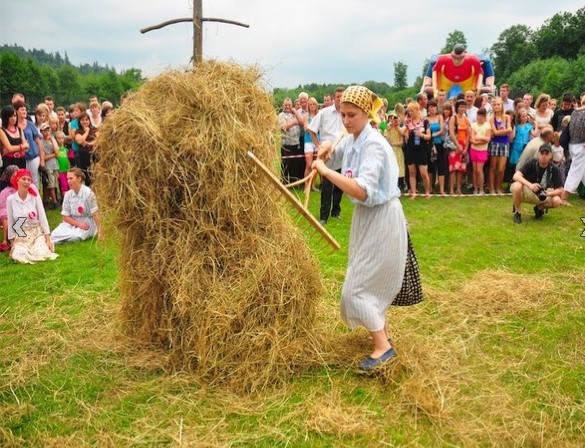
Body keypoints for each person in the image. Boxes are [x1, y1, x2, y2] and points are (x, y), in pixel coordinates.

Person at [311, 85, 409, 371]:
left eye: (352, 115)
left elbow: (363, 191)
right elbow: (336, 152)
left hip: (381, 217)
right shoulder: (354, 138)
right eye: (343, 115)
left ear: (367, 113)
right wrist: (326, 148)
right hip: (366, 218)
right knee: (365, 276)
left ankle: (383, 347)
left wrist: (327, 172)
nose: (346, 121)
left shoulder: (374, 145)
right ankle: (383, 335)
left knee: (356, 288)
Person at [308, 87, 345, 224]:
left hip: (342, 152)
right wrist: (319, 146)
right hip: (326, 153)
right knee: (327, 185)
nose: (340, 99)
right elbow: (311, 130)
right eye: (338, 97)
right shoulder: (324, 113)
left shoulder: (347, 113)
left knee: (341, 185)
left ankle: (336, 211)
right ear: (334, 98)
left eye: (342, 96)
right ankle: (324, 216)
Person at [6, 168, 57, 263]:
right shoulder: (10, 200)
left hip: (37, 233)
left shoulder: (35, 197)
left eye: (29, 180)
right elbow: (11, 223)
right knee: (19, 254)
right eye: (24, 179)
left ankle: (39, 247)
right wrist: (12, 244)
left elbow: (42, 217)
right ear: (17, 180)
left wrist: (47, 239)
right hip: (21, 235)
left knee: (40, 252)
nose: (26, 182)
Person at [511, 144, 563, 223]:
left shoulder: (554, 168)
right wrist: (530, 185)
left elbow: (560, 189)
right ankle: (517, 213)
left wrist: (549, 193)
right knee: (517, 185)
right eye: (542, 153)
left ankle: (539, 209)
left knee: (557, 200)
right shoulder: (532, 162)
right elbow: (516, 176)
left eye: (546, 154)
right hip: (528, 190)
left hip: (543, 194)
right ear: (538, 154)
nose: (544, 156)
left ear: (551, 155)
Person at [51, 168, 101, 244]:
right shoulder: (68, 194)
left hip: (87, 222)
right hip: (72, 222)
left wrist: (100, 232)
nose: (68, 181)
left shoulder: (88, 193)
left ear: (79, 179)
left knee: (75, 237)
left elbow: (95, 213)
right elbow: (65, 216)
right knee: (54, 234)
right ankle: (64, 239)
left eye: (71, 178)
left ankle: (65, 240)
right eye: (67, 179)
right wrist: (78, 224)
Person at [559, 95, 585, 205]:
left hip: (573, 145)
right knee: (576, 171)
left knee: (583, 171)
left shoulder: (575, 112)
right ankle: (563, 198)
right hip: (581, 146)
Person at [404, 102, 432, 198]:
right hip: (410, 149)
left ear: (417, 110)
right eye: (409, 111)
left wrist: (422, 135)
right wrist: (394, 126)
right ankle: (413, 193)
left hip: (422, 149)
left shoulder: (425, 122)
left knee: (424, 173)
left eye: (412, 110)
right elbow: (402, 132)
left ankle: (427, 192)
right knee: (412, 173)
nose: (410, 112)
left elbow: (429, 136)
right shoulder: (408, 122)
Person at [15, 101, 44, 189]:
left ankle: (36, 201)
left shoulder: (30, 124)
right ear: (16, 111)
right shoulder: (13, 125)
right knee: (20, 180)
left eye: (25, 110)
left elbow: (39, 142)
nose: (24, 111)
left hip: (33, 157)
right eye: (22, 109)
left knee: (33, 180)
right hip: (20, 158)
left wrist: (42, 159)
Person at [488, 97, 512, 195]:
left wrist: (500, 132)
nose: (497, 106)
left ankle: (498, 188)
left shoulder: (507, 117)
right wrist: (504, 131)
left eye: (498, 104)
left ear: (502, 105)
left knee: (501, 169)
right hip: (495, 143)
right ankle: (492, 188)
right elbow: (495, 132)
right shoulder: (491, 118)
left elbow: (510, 129)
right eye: (495, 105)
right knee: (493, 167)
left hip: (505, 143)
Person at [277, 98, 304, 184]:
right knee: (285, 165)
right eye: (286, 105)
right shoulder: (281, 115)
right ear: (283, 106)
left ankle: (294, 183)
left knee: (294, 165)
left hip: (296, 143)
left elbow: (301, 122)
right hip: (286, 144)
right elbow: (283, 128)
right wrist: (293, 123)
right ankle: (284, 183)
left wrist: (295, 112)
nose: (288, 107)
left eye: (289, 105)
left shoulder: (294, 114)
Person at [448, 100, 470, 195]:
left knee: (461, 168)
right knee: (453, 168)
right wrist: (457, 145)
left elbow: (468, 135)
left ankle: (458, 188)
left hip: (464, 145)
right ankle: (452, 189)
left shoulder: (466, 119)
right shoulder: (453, 118)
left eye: (464, 107)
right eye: (460, 107)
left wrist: (465, 148)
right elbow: (451, 133)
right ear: (457, 107)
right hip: (454, 145)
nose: (462, 109)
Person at [469, 108, 491, 195]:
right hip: (473, 150)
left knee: (479, 170)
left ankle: (481, 189)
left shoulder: (487, 126)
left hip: (482, 151)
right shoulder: (473, 125)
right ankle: (475, 189)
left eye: (482, 116)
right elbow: (472, 138)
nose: (480, 117)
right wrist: (482, 139)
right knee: (474, 170)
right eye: (478, 115)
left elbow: (487, 139)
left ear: (484, 116)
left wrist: (479, 139)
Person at [426, 99, 446, 195]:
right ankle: (430, 188)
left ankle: (441, 190)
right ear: (428, 108)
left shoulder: (440, 117)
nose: (432, 108)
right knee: (430, 168)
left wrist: (433, 135)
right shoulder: (425, 119)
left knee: (441, 167)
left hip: (439, 144)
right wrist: (430, 137)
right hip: (429, 145)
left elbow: (442, 130)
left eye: (434, 106)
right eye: (431, 107)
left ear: (437, 108)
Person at [1, 105, 28, 170]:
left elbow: (26, 148)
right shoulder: (2, 131)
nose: (13, 118)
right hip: (9, 161)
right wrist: (22, 146)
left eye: (15, 116)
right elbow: (10, 148)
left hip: (21, 160)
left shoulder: (19, 129)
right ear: (5, 117)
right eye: (10, 116)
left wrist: (13, 148)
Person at [39, 123, 60, 209]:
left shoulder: (52, 139)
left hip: (55, 165)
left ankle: (47, 200)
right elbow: (43, 156)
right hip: (48, 166)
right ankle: (55, 202)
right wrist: (54, 155)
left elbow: (57, 151)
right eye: (44, 130)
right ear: (41, 132)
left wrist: (53, 141)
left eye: (48, 130)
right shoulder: (41, 142)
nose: (47, 132)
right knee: (50, 185)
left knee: (54, 184)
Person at [74, 112, 98, 185]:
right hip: (83, 157)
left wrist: (88, 143)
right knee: (86, 176)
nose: (85, 121)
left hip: (94, 155)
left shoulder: (94, 129)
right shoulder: (78, 131)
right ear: (79, 121)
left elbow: (98, 140)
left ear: (89, 120)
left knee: (95, 174)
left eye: (87, 120)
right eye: (83, 120)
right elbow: (80, 141)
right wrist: (87, 131)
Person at [0, 165, 19, 252]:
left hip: (22, 214)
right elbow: (3, 209)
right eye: (14, 176)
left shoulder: (24, 189)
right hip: (8, 215)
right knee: (6, 217)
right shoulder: (5, 192)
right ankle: (5, 240)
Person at [302, 97, 320, 190]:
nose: (312, 106)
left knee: (315, 165)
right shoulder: (306, 116)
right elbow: (306, 128)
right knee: (309, 165)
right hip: (308, 141)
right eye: (310, 104)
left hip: (317, 141)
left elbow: (320, 128)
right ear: (308, 106)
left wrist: (311, 129)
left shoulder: (319, 115)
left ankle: (312, 185)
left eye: (314, 104)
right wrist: (314, 129)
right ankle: (306, 186)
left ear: (316, 105)